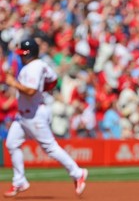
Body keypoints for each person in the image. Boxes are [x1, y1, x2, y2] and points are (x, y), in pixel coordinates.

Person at [3, 37, 88, 197]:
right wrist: (45, 88)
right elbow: (53, 80)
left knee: (50, 147)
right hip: (24, 116)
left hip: (34, 115)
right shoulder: (40, 65)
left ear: (29, 53)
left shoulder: (34, 67)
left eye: (23, 53)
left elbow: (31, 91)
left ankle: (78, 173)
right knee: (12, 143)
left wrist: (13, 83)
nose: (20, 56)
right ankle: (19, 181)